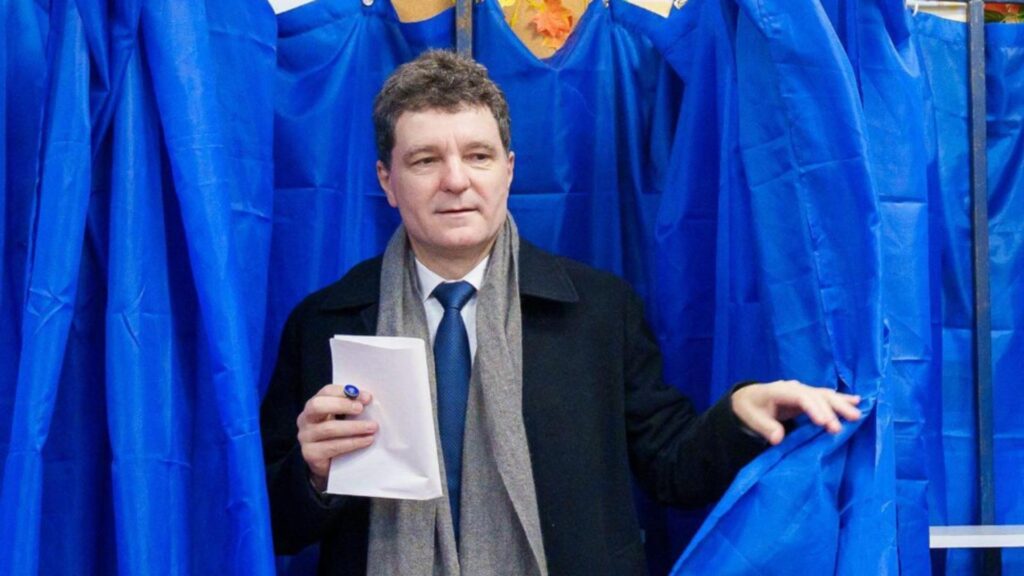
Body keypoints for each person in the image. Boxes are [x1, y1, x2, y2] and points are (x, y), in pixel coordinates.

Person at [260, 50, 862, 576]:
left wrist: (739, 414)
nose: (455, 181)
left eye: (478, 156)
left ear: (509, 171)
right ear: (387, 181)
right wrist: (313, 474)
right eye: (424, 161)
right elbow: (275, 527)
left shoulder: (598, 310)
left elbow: (672, 468)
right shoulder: (326, 322)